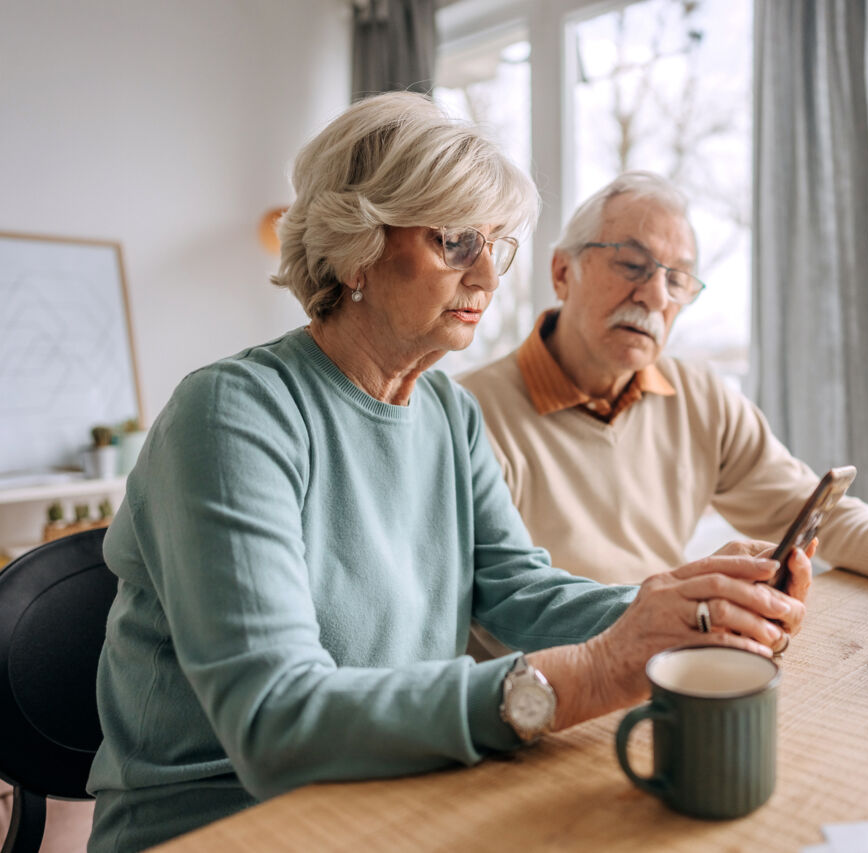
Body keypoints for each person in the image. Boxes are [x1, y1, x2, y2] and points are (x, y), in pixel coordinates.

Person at [87, 96, 811, 852]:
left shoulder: (442, 406)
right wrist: (586, 674)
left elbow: (517, 590)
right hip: (219, 822)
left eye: (496, 246)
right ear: (354, 246)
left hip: (387, 789)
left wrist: (674, 608)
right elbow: (276, 722)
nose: (489, 278)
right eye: (457, 241)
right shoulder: (232, 414)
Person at [461, 170, 868, 594]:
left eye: (677, 279)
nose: (655, 296)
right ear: (562, 272)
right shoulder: (471, 415)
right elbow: (503, 601)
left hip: (666, 657)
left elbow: (803, 506)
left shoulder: (701, 397)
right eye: (631, 265)